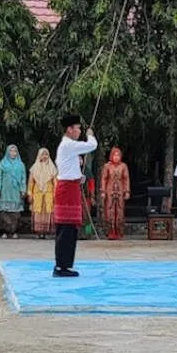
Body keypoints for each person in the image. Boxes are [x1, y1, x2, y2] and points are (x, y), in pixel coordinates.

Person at [53, 115, 97, 277]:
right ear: (69, 129)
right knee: (66, 229)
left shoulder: (67, 146)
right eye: (78, 128)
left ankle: (65, 265)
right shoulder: (68, 144)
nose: (79, 131)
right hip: (67, 190)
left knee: (70, 229)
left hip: (70, 187)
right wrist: (90, 134)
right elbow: (92, 145)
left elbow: (68, 169)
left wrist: (80, 176)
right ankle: (61, 266)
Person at [0, 144, 27, 239]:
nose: (13, 153)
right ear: (7, 152)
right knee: (4, 211)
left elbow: (23, 178)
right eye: (11, 151)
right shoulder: (2, 163)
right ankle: (4, 231)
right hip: (5, 190)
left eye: (15, 151)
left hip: (15, 191)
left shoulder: (21, 165)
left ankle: (14, 231)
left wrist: (23, 190)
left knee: (15, 212)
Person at [99, 147, 130, 241]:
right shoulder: (107, 166)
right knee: (109, 211)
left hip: (120, 190)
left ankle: (119, 232)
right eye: (114, 155)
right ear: (111, 156)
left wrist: (127, 191)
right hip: (109, 190)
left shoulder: (123, 166)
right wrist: (103, 191)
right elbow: (104, 179)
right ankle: (110, 232)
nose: (116, 157)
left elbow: (126, 179)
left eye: (118, 155)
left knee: (120, 211)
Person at [27, 148, 57, 239]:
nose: (44, 156)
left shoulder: (52, 167)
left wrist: (55, 195)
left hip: (48, 193)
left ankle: (45, 232)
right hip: (37, 193)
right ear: (39, 155)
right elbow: (31, 183)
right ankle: (38, 232)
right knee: (38, 212)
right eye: (42, 154)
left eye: (46, 154)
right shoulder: (34, 168)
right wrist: (29, 194)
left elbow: (56, 183)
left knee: (47, 212)